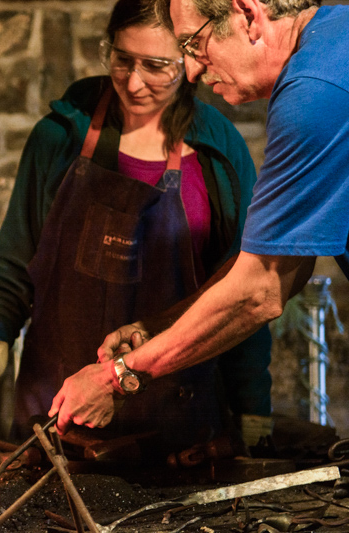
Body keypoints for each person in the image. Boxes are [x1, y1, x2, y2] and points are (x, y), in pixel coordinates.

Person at [0, 0, 273, 451]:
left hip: (177, 422)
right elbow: (14, 268)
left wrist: (254, 409)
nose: (134, 82)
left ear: (191, 60)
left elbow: (239, 288)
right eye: (122, 59)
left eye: (156, 67)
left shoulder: (219, 153)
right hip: (55, 413)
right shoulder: (59, 137)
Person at [49, 0, 349, 436]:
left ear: (247, 13)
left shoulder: (314, 94)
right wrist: (159, 326)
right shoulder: (335, 36)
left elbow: (259, 290)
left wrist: (117, 377)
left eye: (195, 43)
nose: (192, 71)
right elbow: (287, 261)